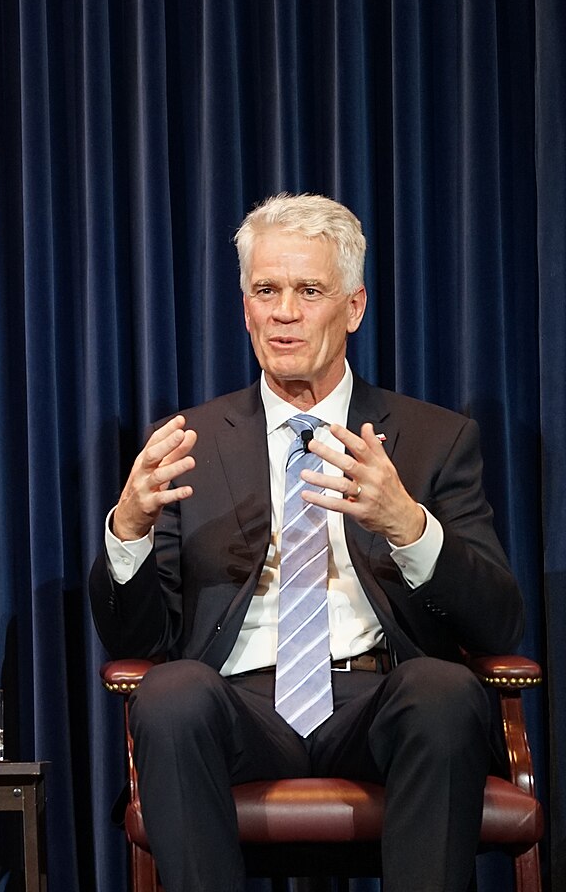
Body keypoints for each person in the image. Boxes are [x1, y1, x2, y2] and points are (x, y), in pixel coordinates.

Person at [90, 194, 524, 891]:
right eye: (266, 291)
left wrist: (408, 526)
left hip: (379, 703)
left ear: (353, 307)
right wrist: (129, 530)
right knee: (169, 694)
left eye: (309, 291)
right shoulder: (189, 443)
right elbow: (137, 639)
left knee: (444, 689)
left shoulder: (434, 439)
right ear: (245, 309)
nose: (284, 312)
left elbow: (499, 621)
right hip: (239, 707)